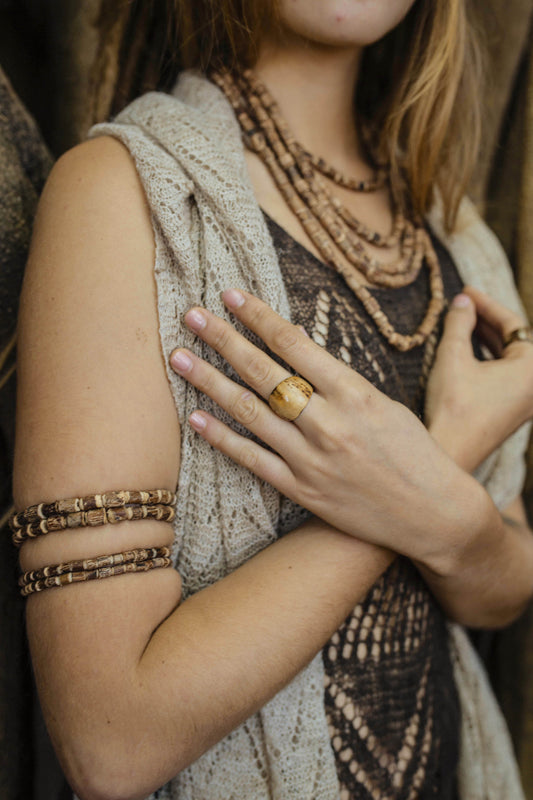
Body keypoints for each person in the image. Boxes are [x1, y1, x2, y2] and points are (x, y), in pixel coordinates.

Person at [11, 1, 533, 798]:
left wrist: (442, 511)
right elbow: (109, 739)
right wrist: (441, 457)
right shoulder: (121, 195)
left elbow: (501, 587)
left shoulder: (454, 236)